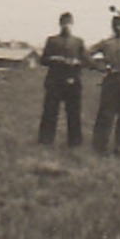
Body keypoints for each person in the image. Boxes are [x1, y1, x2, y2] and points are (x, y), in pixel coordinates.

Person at [88, 12, 120, 155]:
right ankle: (99, 147)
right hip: (112, 80)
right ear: (112, 27)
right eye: (116, 25)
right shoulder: (106, 43)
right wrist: (97, 66)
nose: (118, 28)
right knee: (106, 114)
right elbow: (87, 53)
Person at [38, 12, 86, 147]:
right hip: (55, 81)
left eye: (69, 23)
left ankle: (75, 142)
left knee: (74, 113)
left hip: (73, 82)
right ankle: (45, 140)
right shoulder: (52, 41)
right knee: (50, 112)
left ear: (72, 24)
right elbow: (43, 60)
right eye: (64, 23)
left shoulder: (78, 42)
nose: (66, 26)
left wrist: (77, 61)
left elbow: (86, 61)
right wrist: (53, 59)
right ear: (60, 24)